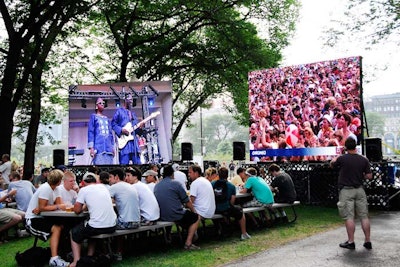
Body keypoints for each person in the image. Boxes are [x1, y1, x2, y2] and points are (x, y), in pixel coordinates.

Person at [330, 137, 373, 250]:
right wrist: (360, 175)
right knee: (364, 216)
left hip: (346, 190)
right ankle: (367, 241)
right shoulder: (364, 159)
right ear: (355, 146)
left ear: (346, 146)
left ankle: (351, 241)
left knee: (349, 217)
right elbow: (369, 176)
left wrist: (338, 156)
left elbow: (332, 164)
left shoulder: (342, 158)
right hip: (359, 190)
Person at [69, 172, 117, 267]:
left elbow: (77, 210)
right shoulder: (103, 188)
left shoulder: (84, 190)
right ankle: (89, 256)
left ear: (83, 182)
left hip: (97, 226)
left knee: (74, 232)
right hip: (112, 225)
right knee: (90, 226)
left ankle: (76, 261)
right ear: (96, 181)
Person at [25, 169, 69, 267]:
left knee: (63, 226)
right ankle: (54, 260)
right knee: (56, 228)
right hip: (32, 219)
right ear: (59, 181)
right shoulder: (45, 188)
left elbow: (59, 204)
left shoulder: (56, 189)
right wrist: (55, 207)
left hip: (42, 217)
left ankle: (61, 253)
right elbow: (44, 207)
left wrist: (54, 206)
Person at [154, 164, 201, 250]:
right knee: (196, 217)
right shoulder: (176, 184)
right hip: (175, 215)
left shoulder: (157, 186)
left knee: (182, 215)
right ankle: (188, 243)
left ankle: (169, 236)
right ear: (172, 174)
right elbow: (187, 202)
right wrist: (194, 211)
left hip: (161, 215)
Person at [108, 168, 140, 261]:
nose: (109, 179)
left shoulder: (114, 187)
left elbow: (105, 202)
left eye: (110, 177)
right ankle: (120, 250)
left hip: (126, 223)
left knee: (104, 225)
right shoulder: (130, 186)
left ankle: (111, 253)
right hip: (137, 222)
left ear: (116, 177)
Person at [211, 167, 251, 240]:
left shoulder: (212, 184)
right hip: (226, 208)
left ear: (218, 175)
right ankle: (244, 233)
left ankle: (220, 228)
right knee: (240, 211)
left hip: (214, 208)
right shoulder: (231, 186)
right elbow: (232, 201)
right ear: (227, 175)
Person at [111, 93, 144, 165]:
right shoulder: (119, 112)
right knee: (123, 164)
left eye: (132, 99)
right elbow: (113, 124)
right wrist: (121, 130)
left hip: (134, 144)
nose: (131, 101)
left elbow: (137, 131)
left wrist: (140, 128)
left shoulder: (133, 115)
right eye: (129, 99)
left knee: (138, 164)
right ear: (125, 100)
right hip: (124, 145)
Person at [87, 97, 115, 165]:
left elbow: (110, 134)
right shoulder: (93, 117)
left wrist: (112, 147)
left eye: (103, 103)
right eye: (100, 103)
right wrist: (91, 148)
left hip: (109, 150)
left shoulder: (107, 119)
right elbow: (91, 132)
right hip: (98, 149)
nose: (102, 104)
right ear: (96, 106)